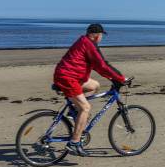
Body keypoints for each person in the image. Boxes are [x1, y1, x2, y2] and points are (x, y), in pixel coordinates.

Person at [53, 23, 127, 156]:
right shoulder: (88, 45)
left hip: (70, 76)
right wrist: (121, 78)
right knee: (85, 108)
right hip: (68, 78)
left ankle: (74, 112)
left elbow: (100, 66)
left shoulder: (85, 42)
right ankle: (74, 143)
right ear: (96, 35)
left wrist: (114, 77)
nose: (101, 38)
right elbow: (102, 66)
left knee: (94, 85)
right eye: (101, 36)